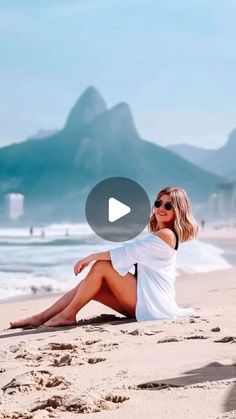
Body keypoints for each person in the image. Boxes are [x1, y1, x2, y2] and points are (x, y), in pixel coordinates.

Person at [10, 186, 199, 329]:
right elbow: (129, 258)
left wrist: (89, 257)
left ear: (178, 211)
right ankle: (41, 317)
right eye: (158, 203)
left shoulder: (166, 234)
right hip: (145, 302)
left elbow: (127, 251)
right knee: (88, 285)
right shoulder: (162, 233)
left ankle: (66, 315)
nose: (161, 208)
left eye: (168, 205)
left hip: (153, 305)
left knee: (101, 266)